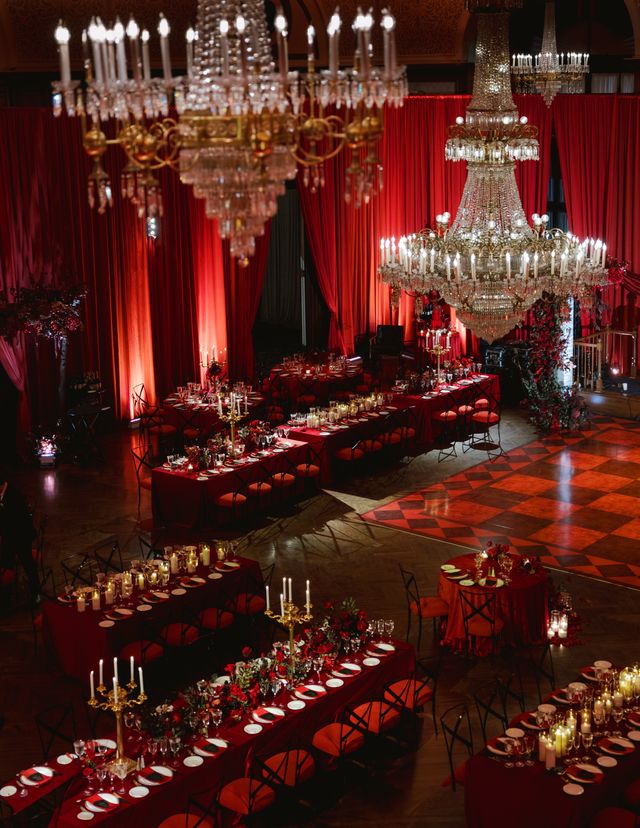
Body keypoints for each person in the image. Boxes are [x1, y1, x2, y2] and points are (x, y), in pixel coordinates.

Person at [0, 473, 39, 603]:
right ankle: (7, 593)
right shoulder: (4, 494)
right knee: (5, 562)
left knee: (28, 564)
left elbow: (15, 521)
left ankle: (35, 594)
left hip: (22, 536)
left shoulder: (14, 496)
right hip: (10, 536)